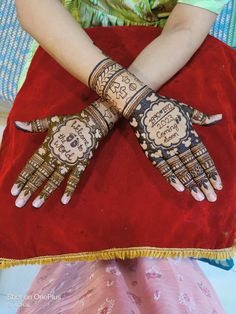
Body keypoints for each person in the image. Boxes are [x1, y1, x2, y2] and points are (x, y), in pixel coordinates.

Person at [9, 0, 231, 313]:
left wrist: (102, 116)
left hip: (172, 66)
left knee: (165, 210)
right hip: (69, 56)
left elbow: (187, 24)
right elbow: (35, 7)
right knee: (72, 214)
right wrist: (135, 104)